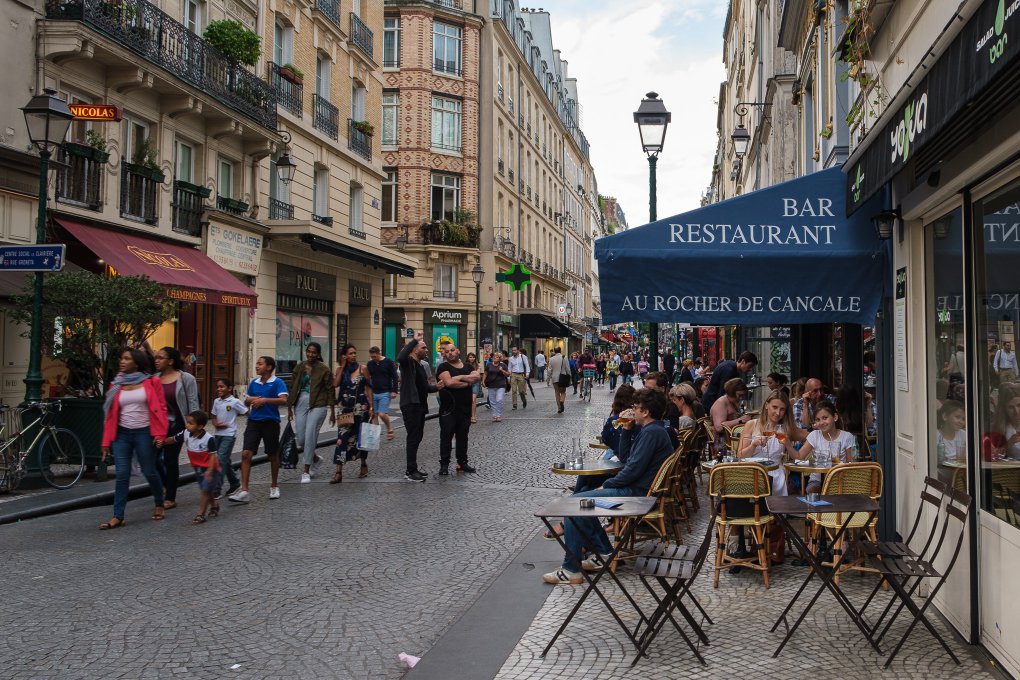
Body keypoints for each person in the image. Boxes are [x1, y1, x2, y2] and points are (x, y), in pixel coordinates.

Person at [543, 389, 674, 585]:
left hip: (636, 495)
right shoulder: (652, 430)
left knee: (574, 503)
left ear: (645, 412)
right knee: (581, 497)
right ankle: (603, 553)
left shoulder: (652, 433)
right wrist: (627, 430)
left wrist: (605, 485)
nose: (633, 412)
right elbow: (626, 458)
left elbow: (632, 471)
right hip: (639, 490)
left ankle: (571, 569)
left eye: (636, 408)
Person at [99, 349, 168, 529]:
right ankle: (118, 515)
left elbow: (161, 409)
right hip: (121, 434)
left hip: (144, 432)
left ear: (136, 363)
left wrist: (160, 434)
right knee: (122, 474)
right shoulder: (116, 385)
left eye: (127, 359)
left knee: (149, 470)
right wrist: (106, 442)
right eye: (121, 358)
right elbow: (110, 415)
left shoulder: (151, 382)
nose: (122, 361)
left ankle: (159, 502)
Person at [737, 390, 808, 562]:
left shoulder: (787, 428)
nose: (778, 413)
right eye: (775, 407)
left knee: (773, 516)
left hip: (775, 474)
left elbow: (812, 437)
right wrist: (753, 444)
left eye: (782, 409)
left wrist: (791, 446)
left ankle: (772, 550)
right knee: (742, 509)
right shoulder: (752, 425)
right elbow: (740, 455)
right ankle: (739, 548)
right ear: (766, 405)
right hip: (751, 474)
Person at [229, 356, 289, 503]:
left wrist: (264, 400)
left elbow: (283, 400)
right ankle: (244, 491)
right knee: (246, 454)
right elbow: (247, 400)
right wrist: (252, 399)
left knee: (272, 455)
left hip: (270, 422)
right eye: (256, 364)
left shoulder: (277, 382)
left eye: (260, 364)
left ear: (269, 367)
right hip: (253, 422)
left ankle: (274, 486)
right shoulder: (253, 383)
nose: (257, 366)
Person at [152, 346, 199, 511]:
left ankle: (170, 497)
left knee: (170, 460)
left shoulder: (186, 378)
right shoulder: (154, 378)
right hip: (158, 425)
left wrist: (194, 426)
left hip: (177, 424)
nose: (156, 360)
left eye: (160, 358)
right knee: (153, 459)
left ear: (170, 361)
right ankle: (167, 484)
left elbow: (193, 402)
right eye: (156, 357)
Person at [159, 410, 220, 524]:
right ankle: (214, 505)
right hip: (198, 468)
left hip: (210, 468)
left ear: (200, 426)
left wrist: (210, 471)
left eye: (191, 423)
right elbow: (173, 439)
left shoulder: (209, 439)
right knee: (206, 490)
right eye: (187, 422)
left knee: (205, 490)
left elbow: (213, 456)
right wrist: (162, 442)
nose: (187, 425)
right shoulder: (186, 433)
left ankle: (200, 514)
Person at [287, 342, 335, 484]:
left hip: (318, 403)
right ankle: (316, 459)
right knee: (301, 438)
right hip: (300, 401)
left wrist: (332, 410)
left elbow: (330, 389)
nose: (310, 354)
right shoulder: (300, 367)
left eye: (314, 352)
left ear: (318, 354)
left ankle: (306, 470)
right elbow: (292, 386)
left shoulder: (324, 369)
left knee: (310, 435)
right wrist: (289, 407)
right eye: (309, 351)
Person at [398, 331, 438, 482]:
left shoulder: (421, 366)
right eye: (424, 347)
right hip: (410, 404)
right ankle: (410, 471)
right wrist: (414, 340)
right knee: (413, 437)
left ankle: (413, 468)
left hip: (420, 405)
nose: (427, 350)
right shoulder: (408, 363)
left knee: (417, 436)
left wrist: (437, 387)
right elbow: (400, 357)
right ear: (415, 349)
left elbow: (424, 388)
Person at [436, 342, 480, 474]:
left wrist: (460, 377)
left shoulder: (467, 366)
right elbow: (449, 383)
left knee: (463, 437)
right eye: (447, 351)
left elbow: (477, 377)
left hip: (465, 409)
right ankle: (444, 465)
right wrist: (467, 383)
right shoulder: (443, 366)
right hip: (448, 409)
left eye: (452, 350)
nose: (450, 353)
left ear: (458, 351)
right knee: (446, 437)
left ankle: (462, 463)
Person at [794, 401, 857, 493]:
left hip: (840, 479)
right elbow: (799, 457)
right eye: (818, 419)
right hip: (817, 480)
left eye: (825, 418)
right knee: (813, 493)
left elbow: (851, 464)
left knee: (835, 494)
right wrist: (787, 444)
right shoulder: (814, 435)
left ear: (835, 417)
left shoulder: (847, 437)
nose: (821, 422)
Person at [333, 343, 374, 482]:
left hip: (361, 409)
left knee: (361, 438)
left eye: (354, 353)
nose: (353, 356)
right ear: (344, 355)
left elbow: (369, 388)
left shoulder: (363, 369)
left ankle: (363, 463)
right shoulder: (340, 370)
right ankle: (338, 472)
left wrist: (372, 407)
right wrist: (343, 367)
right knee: (341, 439)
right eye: (350, 353)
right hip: (345, 409)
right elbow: (335, 384)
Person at [210, 378, 246, 498]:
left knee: (220, 460)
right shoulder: (216, 401)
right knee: (225, 460)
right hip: (218, 434)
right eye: (218, 387)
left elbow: (247, 412)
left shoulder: (235, 402)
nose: (219, 389)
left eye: (222, 387)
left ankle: (217, 489)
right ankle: (235, 483)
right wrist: (215, 423)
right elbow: (213, 415)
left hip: (229, 435)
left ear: (229, 388)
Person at [367, 346, 399, 441]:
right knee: (374, 415)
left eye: (375, 356)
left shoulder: (388, 362)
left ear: (379, 354)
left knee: (381, 414)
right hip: (374, 392)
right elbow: (368, 378)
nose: (373, 358)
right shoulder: (370, 364)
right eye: (371, 357)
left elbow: (395, 377)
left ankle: (389, 428)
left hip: (385, 392)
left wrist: (394, 390)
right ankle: (376, 438)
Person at [711, 378, 752, 450]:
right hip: (723, 443)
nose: (741, 398)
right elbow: (719, 427)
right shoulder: (721, 403)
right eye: (739, 395)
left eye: (743, 395)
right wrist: (741, 420)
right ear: (732, 392)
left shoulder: (732, 401)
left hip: (733, 438)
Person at [936, 400, 967, 481]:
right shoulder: (935, 436)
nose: (961, 422)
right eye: (957, 417)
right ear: (945, 417)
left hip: (960, 475)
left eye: (963, 419)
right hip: (942, 476)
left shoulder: (964, 435)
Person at [484, 350, 510, 421]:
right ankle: (494, 415)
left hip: (501, 385)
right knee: (492, 401)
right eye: (494, 357)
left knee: (499, 399)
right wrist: (483, 381)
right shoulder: (489, 365)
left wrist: (502, 370)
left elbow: (508, 374)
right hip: (491, 385)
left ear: (500, 358)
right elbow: (485, 373)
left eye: (497, 357)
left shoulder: (503, 365)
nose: (495, 358)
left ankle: (499, 415)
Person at [548, 347, 570, 413]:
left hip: (554, 378)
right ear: (561, 351)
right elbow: (567, 368)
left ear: (554, 351)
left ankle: (559, 408)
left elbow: (549, 370)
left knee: (557, 393)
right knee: (563, 392)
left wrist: (548, 378)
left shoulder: (551, 359)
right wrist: (569, 376)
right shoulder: (564, 357)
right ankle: (562, 401)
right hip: (563, 377)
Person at [465, 352, 483, 424]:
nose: (472, 358)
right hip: (467, 384)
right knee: (467, 401)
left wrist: (469, 375)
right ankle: (468, 416)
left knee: (473, 400)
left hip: (475, 384)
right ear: (468, 358)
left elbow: (477, 375)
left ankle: (473, 416)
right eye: (470, 357)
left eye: (473, 357)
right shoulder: (464, 365)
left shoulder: (477, 366)